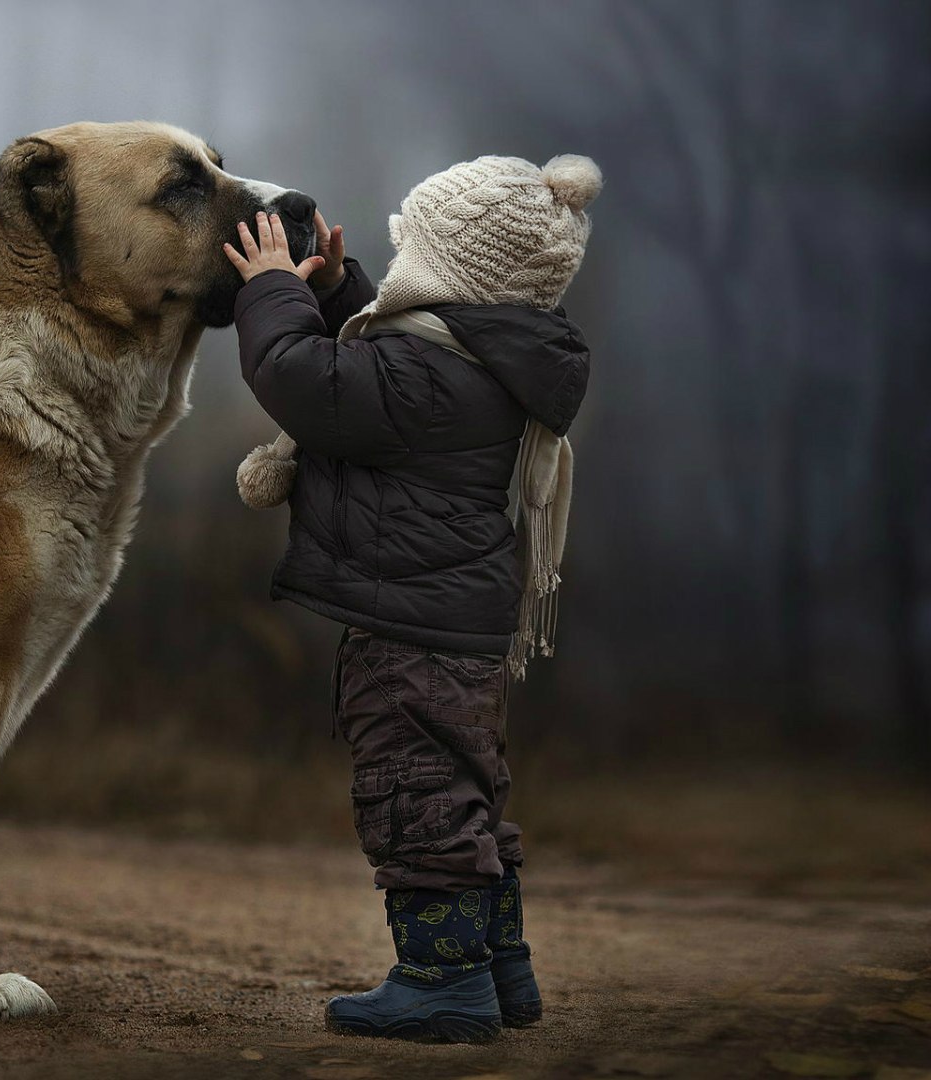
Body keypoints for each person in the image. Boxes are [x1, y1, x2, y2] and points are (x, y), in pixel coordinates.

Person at [219, 154, 601, 1042]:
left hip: (410, 632)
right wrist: (335, 290)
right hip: (457, 624)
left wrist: (272, 290)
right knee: (467, 793)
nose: (398, 268)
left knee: (416, 796)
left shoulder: (425, 379)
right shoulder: (478, 359)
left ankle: (443, 982)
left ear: (449, 270)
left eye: (410, 251)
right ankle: (499, 968)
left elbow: (302, 377)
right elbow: (379, 363)